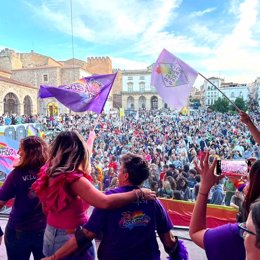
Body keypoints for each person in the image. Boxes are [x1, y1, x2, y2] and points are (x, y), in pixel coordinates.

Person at [41, 153, 188, 260]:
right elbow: (168, 241)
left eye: (120, 170)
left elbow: (86, 235)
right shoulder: (153, 200)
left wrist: (54, 257)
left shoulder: (108, 200)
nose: (117, 174)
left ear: (125, 176)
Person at [32, 131, 155, 259]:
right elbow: (104, 202)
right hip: (71, 237)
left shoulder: (49, 172)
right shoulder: (74, 180)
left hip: (51, 232)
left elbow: (88, 153)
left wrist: (91, 138)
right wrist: (138, 193)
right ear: (78, 153)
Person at [189, 152, 260, 260]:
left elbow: (196, 232)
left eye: (249, 181)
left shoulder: (235, 235)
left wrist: (204, 188)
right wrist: (240, 184)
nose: (244, 233)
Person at [0, 136, 48, 260]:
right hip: (45, 229)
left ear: (29, 152)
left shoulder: (16, 175)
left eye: (21, 149)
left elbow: (1, 201)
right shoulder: (50, 173)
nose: (18, 152)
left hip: (18, 230)